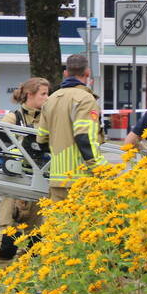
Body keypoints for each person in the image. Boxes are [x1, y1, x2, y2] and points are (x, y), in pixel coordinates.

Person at [0, 77, 50, 294]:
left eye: (48, 94)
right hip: (14, 188)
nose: (47, 99)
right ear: (29, 95)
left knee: (35, 242)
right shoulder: (13, 118)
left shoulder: (47, 119)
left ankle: (25, 288)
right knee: (7, 239)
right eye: (43, 95)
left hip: (38, 189)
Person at [36, 54, 106, 203]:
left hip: (57, 179)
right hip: (81, 180)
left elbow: (41, 139)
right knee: (84, 225)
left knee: (60, 224)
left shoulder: (51, 99)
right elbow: (84, 137)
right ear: (87, 73)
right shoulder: (86, 99)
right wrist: (100, 168)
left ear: (65, 74)